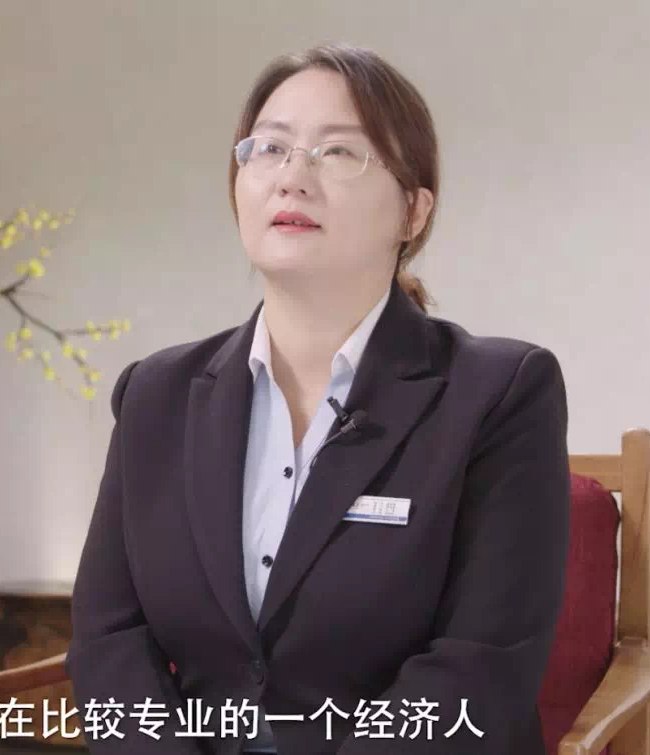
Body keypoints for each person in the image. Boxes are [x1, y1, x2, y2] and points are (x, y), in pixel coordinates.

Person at [65, 43, 570, 755]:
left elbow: (479, 669)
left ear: (414, 211)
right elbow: (109, 643)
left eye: (338, 153)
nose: (292, 177)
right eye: (270, 148)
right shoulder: (157, 395)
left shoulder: (499, 392)